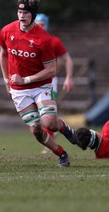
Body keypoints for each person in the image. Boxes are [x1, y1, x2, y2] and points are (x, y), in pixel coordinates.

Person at [0, 0, 77, 167]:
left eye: (26, 13)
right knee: (36, 130)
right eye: (20, 12)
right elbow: (3, 54)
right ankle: (62, 153)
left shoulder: (44, 39)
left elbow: (51, 70)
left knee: (49, 122)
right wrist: (6, 80)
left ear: (33, 15)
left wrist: (25, 79)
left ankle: (64, 128)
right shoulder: (7, 31)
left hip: (41, 86)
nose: (22, 16)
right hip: (18, 90)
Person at [35, 13, 74, 153]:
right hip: (32, 84)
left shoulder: (54, 42)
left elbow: (68, 59)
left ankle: (50, 144)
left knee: (47, 115)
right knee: (37, 117)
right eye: (37, 24)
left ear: (47, 25)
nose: (40, 27)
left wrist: (69, 77)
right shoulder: (29, 41)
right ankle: (54, 132)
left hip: (50, 82)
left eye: (43, 24)